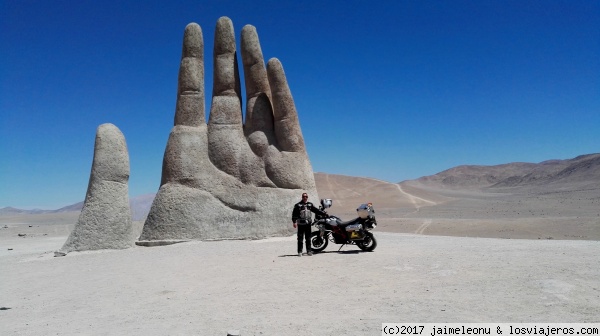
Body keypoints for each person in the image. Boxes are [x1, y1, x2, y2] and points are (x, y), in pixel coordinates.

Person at [291, 192, 327, 257]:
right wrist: (294, 222)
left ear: (307, 197)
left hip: (308, 224)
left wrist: (323, 213)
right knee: (300, 239)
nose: (305, 198)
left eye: (306, 197)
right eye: (304, 197)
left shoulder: (310, 205)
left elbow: (316, 210)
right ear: (302, 197)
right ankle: (300, 252)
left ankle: (309, 251)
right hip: (301, 224)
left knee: (308, 238)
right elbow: (294, 214)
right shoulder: (298, 205)